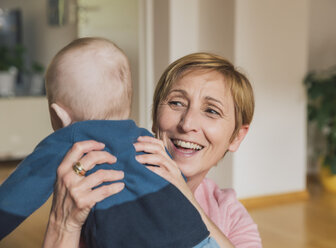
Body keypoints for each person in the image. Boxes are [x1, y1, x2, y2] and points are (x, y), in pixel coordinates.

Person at [0, 38, 218, 248]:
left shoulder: (69, 139)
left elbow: (16, 197)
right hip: (198, 238)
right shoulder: (146, 139)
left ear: (58, 115)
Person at [43, 52, 262, 247]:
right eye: (176, 103)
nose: (187, 124)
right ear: (155, 118)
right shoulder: (103, 185)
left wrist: (187, 201)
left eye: (212, 110)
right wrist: (64, 225)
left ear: (236, 136)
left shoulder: (230, 214)